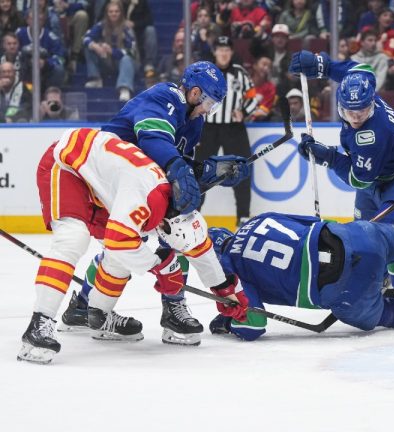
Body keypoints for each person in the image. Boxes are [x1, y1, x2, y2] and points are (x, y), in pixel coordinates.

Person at [18, 128, 249, 364]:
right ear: (169, 227)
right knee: (72, 239)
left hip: (101, 181)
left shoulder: (177, 203)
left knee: (126, 249)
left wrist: (224, 289)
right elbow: (119, 241)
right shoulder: (146, 196)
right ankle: (39, 325)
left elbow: (198, 247)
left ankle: (99, 315)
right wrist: (159, 266)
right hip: (68, 163)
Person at [61, 60, 252, 346]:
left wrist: (210, 171)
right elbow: (154, 140)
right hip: (108, 180)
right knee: (175, 227)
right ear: (195, 92)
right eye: (209, 101)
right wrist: (181, 168)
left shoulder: (195, 121)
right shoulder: (164, 96)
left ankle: (83, 305)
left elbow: (175, 166)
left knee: (132, 243)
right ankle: (172, 308)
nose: (209, 110)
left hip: (137, 185)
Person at [206, 213, 394, 340]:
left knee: (384, 314)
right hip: (355, 237)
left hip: (345, 292)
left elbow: (255, 324)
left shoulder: (230, 271)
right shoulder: (260, 219)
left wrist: (231, 321)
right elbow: (315, 221)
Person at [289, 51, 394, 301]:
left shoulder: (370, 136)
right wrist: (322, 66)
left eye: (363, 111)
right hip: (379, 174)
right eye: (350, 112)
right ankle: (381, 277)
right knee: (363, 231)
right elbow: (361, 67)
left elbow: (359, 180)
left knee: (390, 227)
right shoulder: (360, 84)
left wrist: (329, 157)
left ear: (371, 103)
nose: (356, 118)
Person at [195, 36, 258, 227]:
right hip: (208, 129)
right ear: (215, 51)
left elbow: (253, 98)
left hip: (233, 128)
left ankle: (243, 218)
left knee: (242, 169)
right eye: (220, 49)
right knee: (198, 172)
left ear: (231, 52)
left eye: (227, 50)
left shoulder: (240, 73)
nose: (223, 53)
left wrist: (244, 112)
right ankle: (192, 215)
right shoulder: (205, 72)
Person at [83, 0, 136, 102]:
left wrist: (112, 51)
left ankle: (124, 88)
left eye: (116, 11)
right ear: (107, 13)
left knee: (127, 58)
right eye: (111, 12)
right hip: (107, 61)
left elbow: (132, 52)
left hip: (123, 64)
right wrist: (96, 46)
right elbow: (86, 38)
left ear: (121, 13)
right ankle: (96, 79)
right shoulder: (101, 25)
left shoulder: (127, 28)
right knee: (88, 47)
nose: (113, 14)